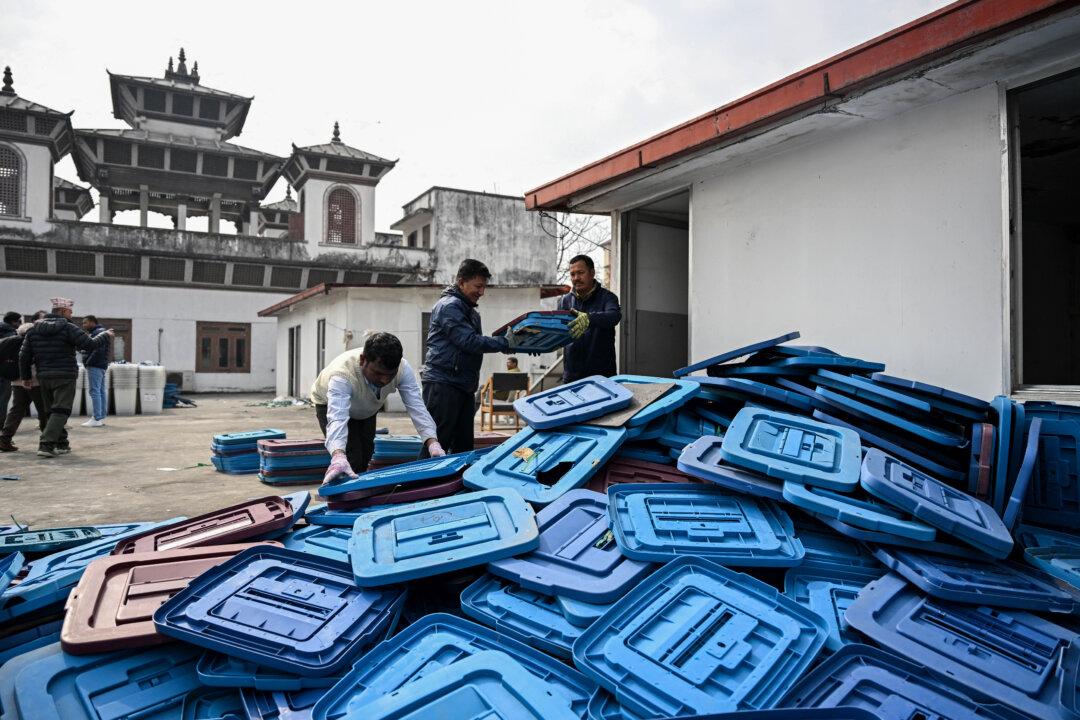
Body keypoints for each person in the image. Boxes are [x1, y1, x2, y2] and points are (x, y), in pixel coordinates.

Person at [312, 331, 446, 484]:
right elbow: (337, 417)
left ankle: (360, 495)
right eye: (378, 373)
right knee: (351, 457)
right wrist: (338, 456)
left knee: (366, 454)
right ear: (363, 360)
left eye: (390, 375)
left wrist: (432, 443)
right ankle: (345, 500)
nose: (384, 380)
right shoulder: (342, 375)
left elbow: (417, 407)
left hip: (367, 408)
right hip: (328, 403)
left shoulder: (402, 369)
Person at [421, 258, 521, 454]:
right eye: (478, 286)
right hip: (443, 383)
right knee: (437, 446)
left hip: (463, 385)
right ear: (461, 282)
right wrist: (503, 343)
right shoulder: (449, 306)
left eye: (484, 287)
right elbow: (469, 341)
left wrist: (514, 344)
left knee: (463, 447)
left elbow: (475, 342)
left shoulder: (471, 312)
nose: (482, 292)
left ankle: (454, 485)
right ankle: (422, 484)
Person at [18, 298, 112, 457]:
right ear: (61, 311)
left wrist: (26, 377)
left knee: (51, 411)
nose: (72, 314)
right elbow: (89, 345)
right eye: (70, 311)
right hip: (65, 375)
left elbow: (24, 356)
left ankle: (62, 443)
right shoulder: (69, 328)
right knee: (61, 410)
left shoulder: (33, 330)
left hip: (44, 376)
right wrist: (105, 335)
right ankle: (46, 445)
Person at [559, 254, 622, 382]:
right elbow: (558, 331)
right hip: (572, 377)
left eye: (580, 273)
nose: (576, 278)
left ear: (592, 273)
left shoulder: (608, 297)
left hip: (602, 376)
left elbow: (614, 316)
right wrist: (539, 344)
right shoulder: (564, 301)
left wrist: (589, 318)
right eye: (572, 274)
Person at [0, 312, 45, 452]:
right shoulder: (34, 343)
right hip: (33, 381)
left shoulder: (7, 341)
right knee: (43, 410)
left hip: (15, 381)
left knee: (16, 410)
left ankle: (4, 439)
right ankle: (47, 442)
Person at [79, 314, 110, 427]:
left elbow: (98, 351)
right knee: (100, 391)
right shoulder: (100, 332)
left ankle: (96, 418)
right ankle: (100, 417)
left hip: (95, 365)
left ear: (92, 322)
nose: (83, 325)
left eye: (85, 323)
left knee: (95, 391)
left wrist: (88, 362)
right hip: (100, 365)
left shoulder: (98, 333)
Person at [0, 311, 20, 431]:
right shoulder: (11, 335)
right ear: (14, 322)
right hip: (4, 371)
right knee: (2, 399)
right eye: (18, 321)